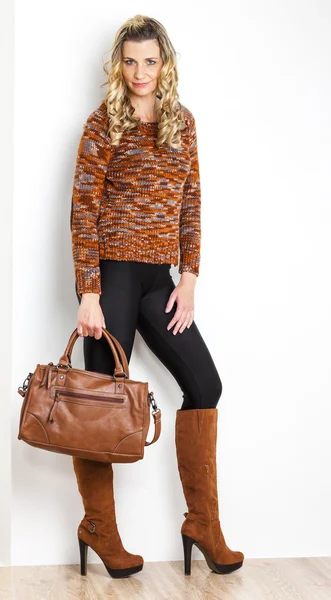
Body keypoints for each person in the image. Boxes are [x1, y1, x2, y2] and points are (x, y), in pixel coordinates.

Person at [70, 14, 244, 579]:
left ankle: (202, 524)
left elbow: (191, 201)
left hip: (160, 281)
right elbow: (83, 213)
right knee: (100, 403)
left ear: (164, 65)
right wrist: (89, 291)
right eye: (130, 61)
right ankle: (98, 529)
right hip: (114, 276)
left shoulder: (181, 123)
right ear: (118, 66)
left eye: (149, 61)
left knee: (205, 385)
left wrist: (190, 277)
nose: (139, 72)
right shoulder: (102, 125)